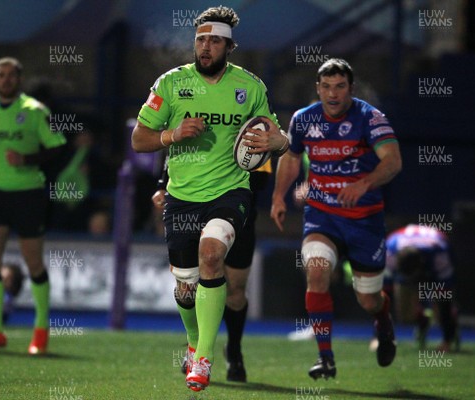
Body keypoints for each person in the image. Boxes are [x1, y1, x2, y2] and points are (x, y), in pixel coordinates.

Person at [132, 5, 288, 391]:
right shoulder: (169, 84)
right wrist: (172, 135)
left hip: (230, 192)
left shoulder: (250, 88)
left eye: (214, 40)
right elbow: (139, 140)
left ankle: (204, 358)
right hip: (182, 198)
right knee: (186, 288)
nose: (205, 47)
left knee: (211, 255)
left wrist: (279, 141)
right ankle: (192, 341)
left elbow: (276, 137)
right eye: (200, 40)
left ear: (229, 46)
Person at [271, 58, 402, 380]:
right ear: (318, 88)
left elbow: (394, 161)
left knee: (368, 298)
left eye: (340, 86)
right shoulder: (304, 119)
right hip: (323, 214)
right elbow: (290, 157)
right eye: (326, 87)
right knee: (316, 273)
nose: (333, 94)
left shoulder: (370, 118)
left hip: (364, 220)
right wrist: (278, 196)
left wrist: (365, 182)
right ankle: (325, 358)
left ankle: (383, 321)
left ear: (351, 89)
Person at [0, 57, 66, 354]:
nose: (6, 80)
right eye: (0, 75)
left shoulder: (34, 111)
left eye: (11, 75)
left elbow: (57, 146)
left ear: (19, 80)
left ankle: (41, 329)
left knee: (33, 263)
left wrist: (27, 160)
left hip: (28, 194)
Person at [152, 155, 272, 382]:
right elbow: (173, 152)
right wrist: (162, 183)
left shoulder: (247, 123)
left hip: (236, 211)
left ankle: (233, 350)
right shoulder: (192, 122)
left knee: (235, 292)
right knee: (188, 286)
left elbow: (262, 179)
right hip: (191, 208)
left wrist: (227, 169)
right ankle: (197, 346)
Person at [380, 224, 459, 352]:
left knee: (442, 304)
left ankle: (450, 331)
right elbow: (384, 293)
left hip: (433, 261)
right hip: (414, 255)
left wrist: (446, 342)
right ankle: (423, 320)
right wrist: (379, 336)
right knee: (405, 314)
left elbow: (445, 295)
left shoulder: (439, 254)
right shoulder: (390, 252)